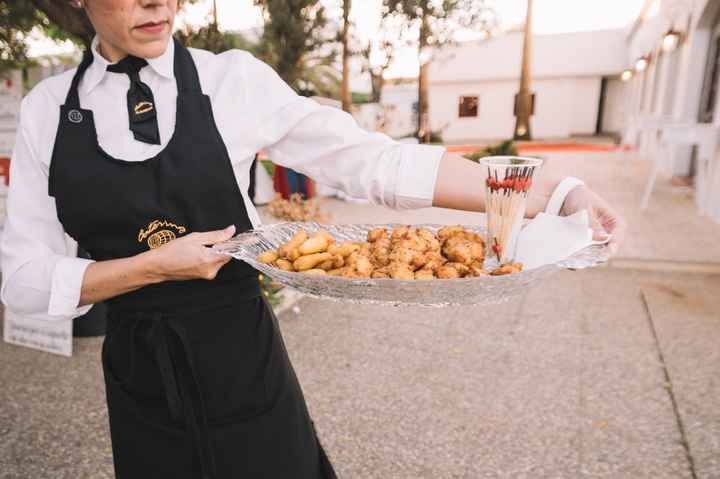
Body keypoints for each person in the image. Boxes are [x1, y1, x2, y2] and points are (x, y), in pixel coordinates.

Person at [0, 0, 627, 478]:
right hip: (140, 371)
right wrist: (148, 268)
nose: (159, 4)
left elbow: (372, 161)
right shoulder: (47, 110)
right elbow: (23, 281)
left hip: (242, 358)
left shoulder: (232, 81)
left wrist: (552, 194)